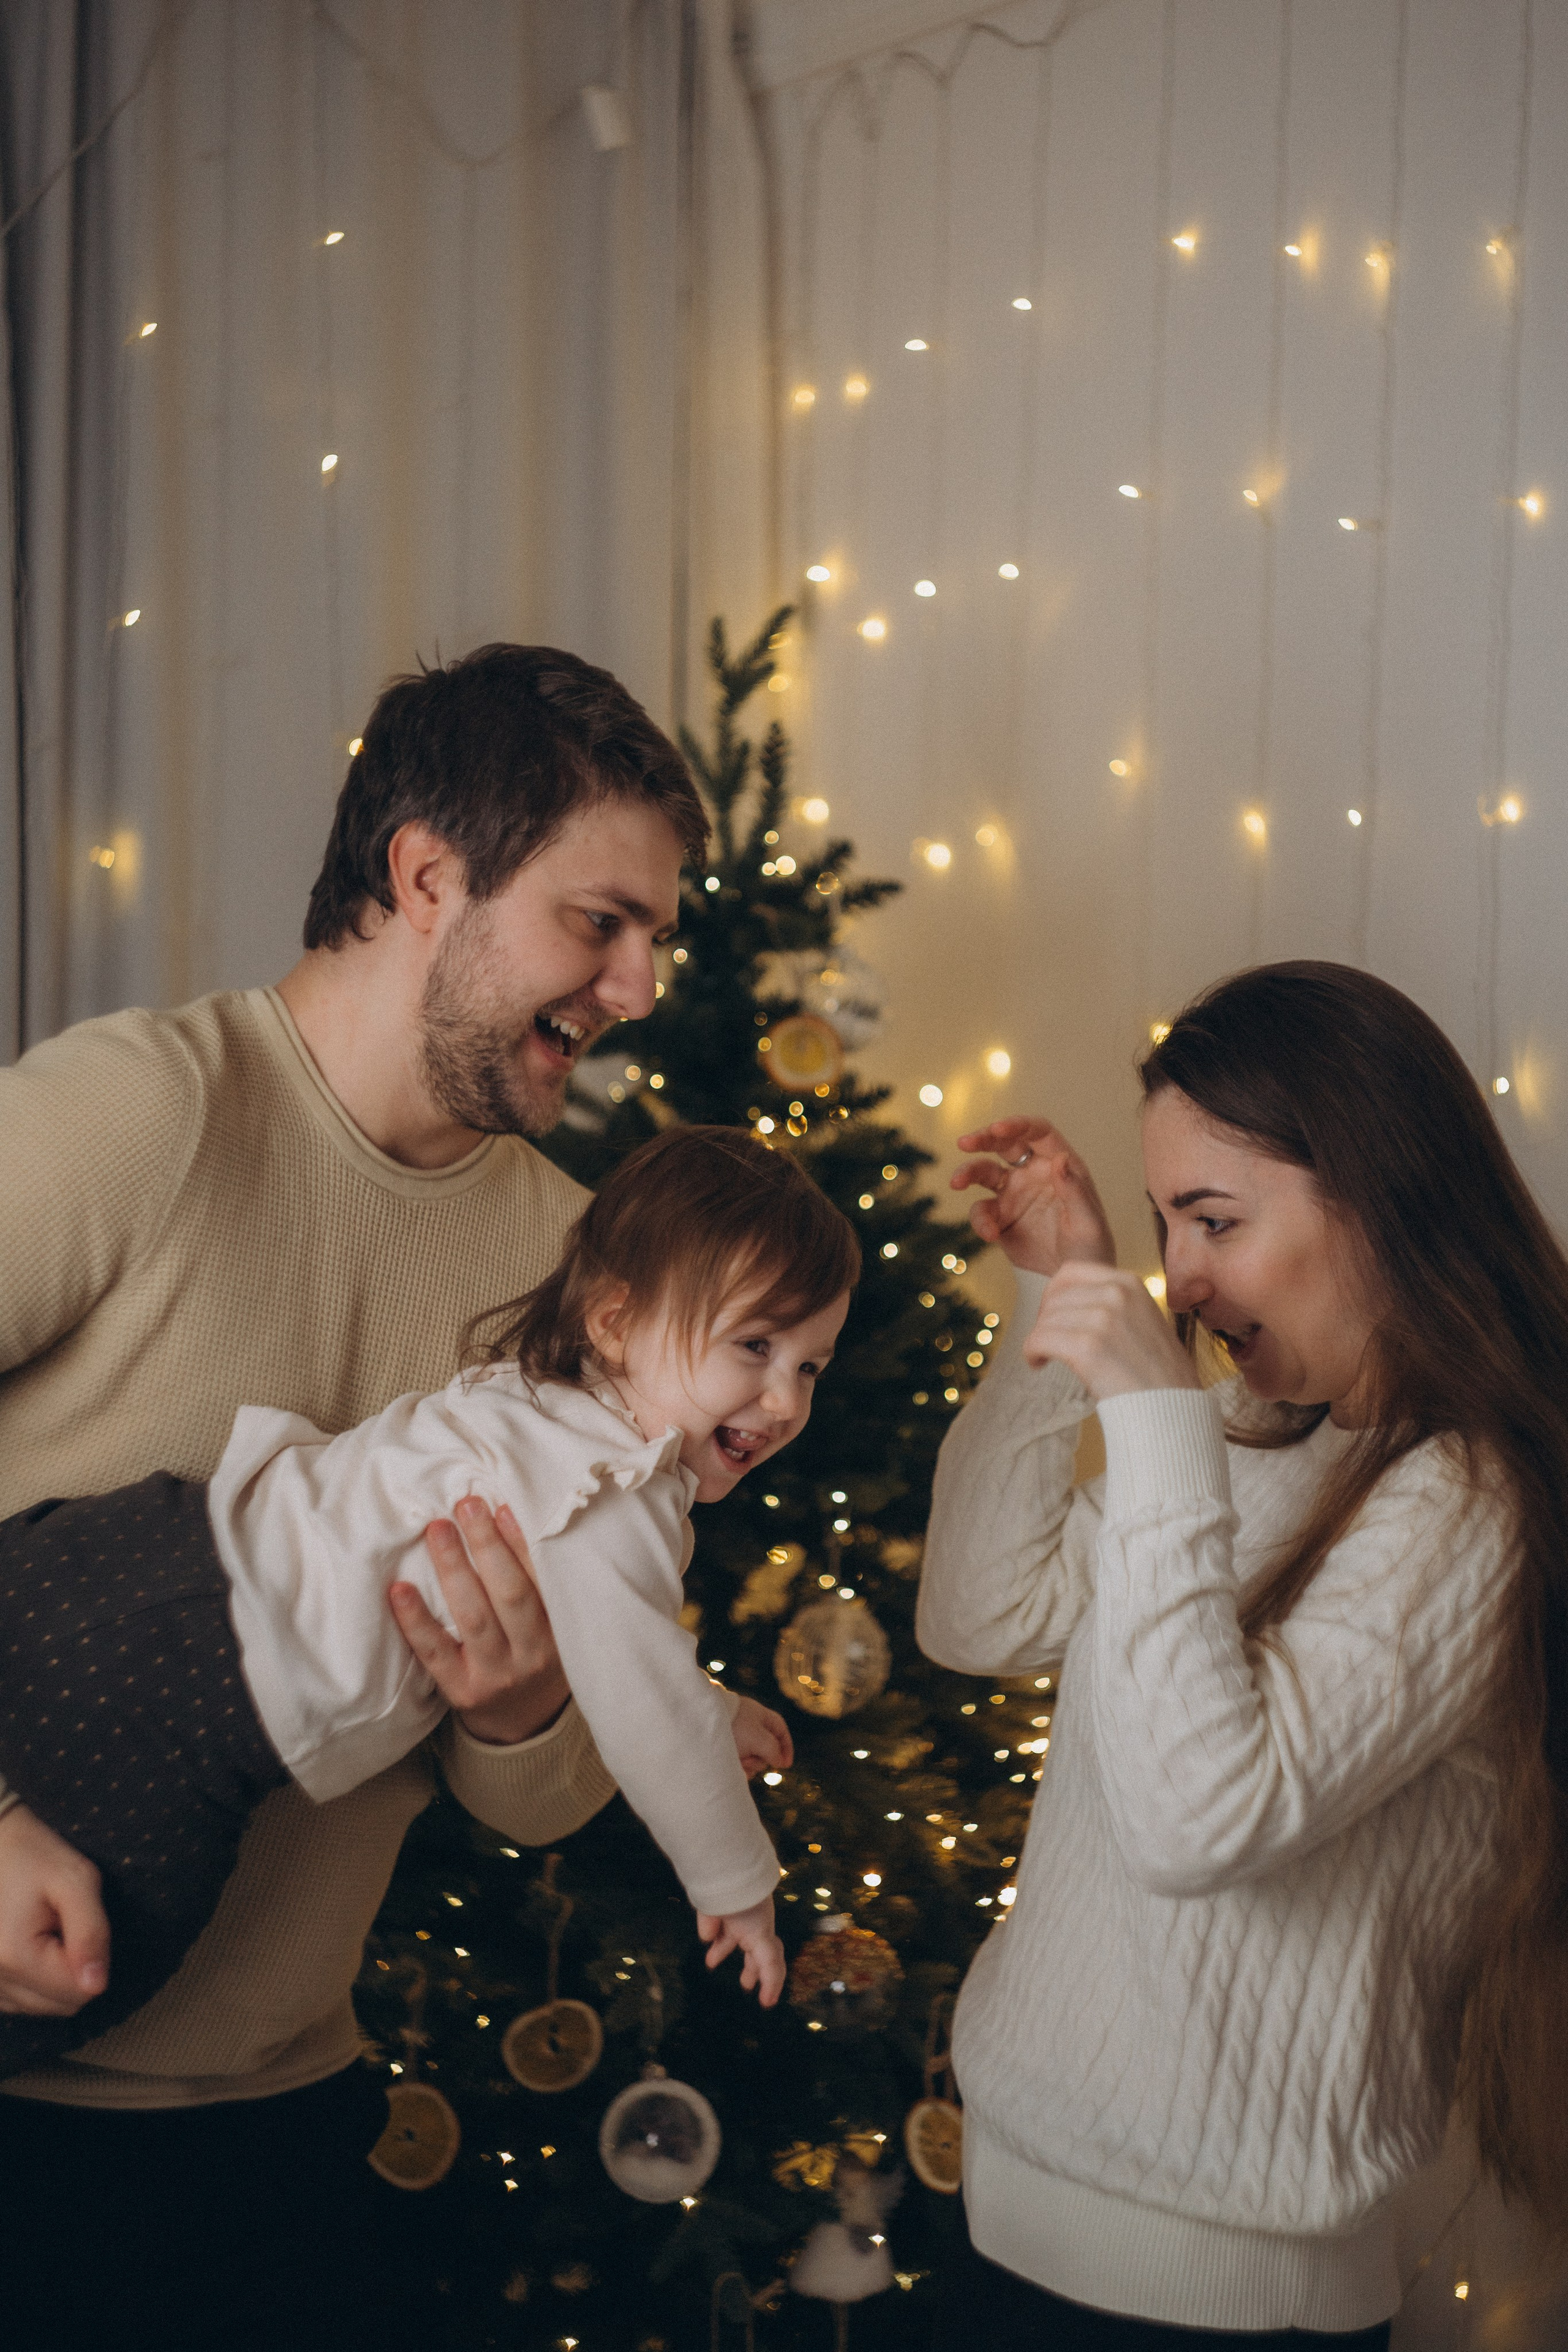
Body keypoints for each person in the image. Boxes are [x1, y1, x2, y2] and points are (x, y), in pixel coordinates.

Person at [0, 643, 732, 2347]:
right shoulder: (141, 1114)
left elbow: (539, 1801)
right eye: (598, 923)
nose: (636, 989)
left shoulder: (575, 1258)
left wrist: (518, 1706)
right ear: (426, 877)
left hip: (292, 2137)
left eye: (657, 942)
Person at [918, 960, 1568, 2351]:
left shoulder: (1467, 1502)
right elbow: (976, 1615)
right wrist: (1060, 1301)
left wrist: (1153, 1424)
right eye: (1161, 1225)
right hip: (1003, 2210)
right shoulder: (1250, 1440)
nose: (1183, 1276)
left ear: (1379, 1202)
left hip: (1215, 2306)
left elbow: (1194, 1816)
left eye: (1211, 1219)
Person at [0, 1125, 858, 2068]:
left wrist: (718, 1709)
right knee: (80, 1972)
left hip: (117, 1551)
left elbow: (630, 1655)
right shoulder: (616, 1486)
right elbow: (644, 1704)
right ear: (615, 1322)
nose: (784, 1401)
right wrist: (736, 1882)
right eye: (755, 1345)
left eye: (810, 1365)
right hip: (197, 1693)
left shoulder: (534, 1402)